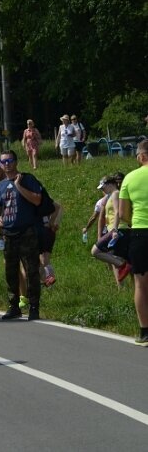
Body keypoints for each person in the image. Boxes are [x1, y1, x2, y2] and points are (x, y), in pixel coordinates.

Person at [0, 150, 44, 321]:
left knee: (31, 271)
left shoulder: (27, 179)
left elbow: (37, 200)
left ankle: (33, 306)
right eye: (4, 161)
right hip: (8, 234)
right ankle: (14, 305)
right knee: (11, 272)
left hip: (26, 231)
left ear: (16, 162)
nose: (7, 164)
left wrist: (19, 187)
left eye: (10, 160)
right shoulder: (0, 185)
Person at [117, 140, 148, 345]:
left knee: (141, 284)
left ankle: (145, 331)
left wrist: (132, 222)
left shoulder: (130, 178)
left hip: (140, 233)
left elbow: (122, 213)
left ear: (142, 156)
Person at [91, 176, 131, 286]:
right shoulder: (110, 196)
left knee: (95, 251)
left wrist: (114, 229)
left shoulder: (115, 194)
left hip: (118, 229)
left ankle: (123, 265)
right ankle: (122, 287)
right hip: (117, 229)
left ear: (110, 184)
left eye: (103, 187)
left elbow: (118, 212)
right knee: (117, 256)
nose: (102, 190)